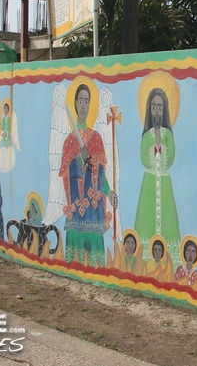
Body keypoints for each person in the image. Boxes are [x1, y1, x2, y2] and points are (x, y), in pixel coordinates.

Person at [60, 83, 117, 267]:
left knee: (94, 262)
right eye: (80, 100)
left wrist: (109, 192)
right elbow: (65, 175)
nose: (83, 105)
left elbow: (100, 175)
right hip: (77, 207)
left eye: (86, 101)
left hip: (93, 209)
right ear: (75, 103)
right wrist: (78, 158)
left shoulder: (96, 138)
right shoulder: (69, 141)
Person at [135, 88, 181, 264]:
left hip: (165, 181)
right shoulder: (146, 136)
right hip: (149, 182)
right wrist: (154, 141)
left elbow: (170, 159)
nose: (157, 110)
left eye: (160, 107)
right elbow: (144, 160)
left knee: (167, 217)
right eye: (153, 106)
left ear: (165, 110)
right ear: (149, 109)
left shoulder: (168, 135)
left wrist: (160, 143)